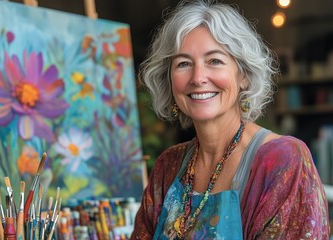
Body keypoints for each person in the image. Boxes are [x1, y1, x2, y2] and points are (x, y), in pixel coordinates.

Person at [131, 0, 330, 239]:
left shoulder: (283, 160)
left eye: (214, 61)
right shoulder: (167, 167)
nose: (197, 77)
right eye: (183, 64)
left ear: (243, 75)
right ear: (169, 80)